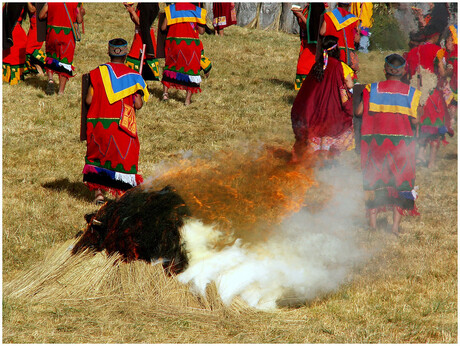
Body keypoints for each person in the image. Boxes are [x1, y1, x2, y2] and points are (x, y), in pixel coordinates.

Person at [356, 54, 421, 235]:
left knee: (375, 181)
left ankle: (373, 225)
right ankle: (394, 227)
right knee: (400, 184)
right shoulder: (411, 93)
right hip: (402, 147)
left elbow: (359, 111)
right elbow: (415, 122)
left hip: (377, 144)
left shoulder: (373, 89)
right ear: (403, 71)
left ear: (385, 70)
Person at [82, 38, 149, 205]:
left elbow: (89, 100)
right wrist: (136, 93)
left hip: (99, 125)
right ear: (126, 55)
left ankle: (99, 194)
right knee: (122, 161)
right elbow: (138, 105)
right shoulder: (134, 76)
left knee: (97, 158)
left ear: (109, 54)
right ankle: (120, 196)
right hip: (122, 127)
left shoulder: (98, 73)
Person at [290, 35, 354, 164]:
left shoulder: (317, 66)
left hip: (314, 113)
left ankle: (312, 163)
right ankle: (328, 162)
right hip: (332, 113)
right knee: (350, 124)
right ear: (336, 50)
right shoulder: (339, 66)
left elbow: (308, 90)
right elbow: (349, 85)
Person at [405, 27, 454, 169]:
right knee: (434, 130)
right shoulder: (438, 51)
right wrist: (449, 69)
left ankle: (419, 156)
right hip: (432, 95)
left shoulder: (412, 52)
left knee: (420, 127)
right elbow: (442, 72)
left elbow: (408, 75)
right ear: (436, 35)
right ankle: (431, 162)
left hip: (415, 94)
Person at [160, 2, 208, 105]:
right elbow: (201, 31)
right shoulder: (197, 10)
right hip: (191, 46)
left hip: (174, 44)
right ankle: (187, 100)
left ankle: (165, 94)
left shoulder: (171, 9)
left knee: (169, 67)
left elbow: (163, 28)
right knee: (191, 70)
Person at [39, 2, 85, 95]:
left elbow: (41, 15)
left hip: (52, 33)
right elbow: (79, 20)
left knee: (51, 57)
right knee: (65, 62)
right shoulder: (76, 3)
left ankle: (51, 80)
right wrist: (82, 13)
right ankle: (60, 92)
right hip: (67, 36)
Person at [291, 3, 326, 90]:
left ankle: (307, 87)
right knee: (302, 64)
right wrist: (298, 16)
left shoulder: (317, 7)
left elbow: (314, 27)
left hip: (312, 45)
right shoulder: (308, 7)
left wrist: (301, 16)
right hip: (306, 41)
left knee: (304, 66)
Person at [124, 2, 161, 81]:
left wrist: (132, 11)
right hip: (140, 36)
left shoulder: (146, 4)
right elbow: (137, 20)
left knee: (139, 60)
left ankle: (141, 84)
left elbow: (142, 23)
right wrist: (131, 10)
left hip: (143, 38)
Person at [319, 2, 360, 72]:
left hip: (332, 50)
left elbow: (322, 32)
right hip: (347, 53)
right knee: (346, 74)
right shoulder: (353, 19)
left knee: (331, 72)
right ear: (350, 4)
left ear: (337, 3)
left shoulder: (330, 16)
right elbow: (356, 39)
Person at [2, 3, 27, 85]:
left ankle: (7, 76)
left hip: (10, 31)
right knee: (13, 55)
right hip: (15, 30)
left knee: (11, 55)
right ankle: (14, 78)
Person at [25, 3, 46, 75]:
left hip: (37, 26)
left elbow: (32, 9)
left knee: (28, 50)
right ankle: (40, 70)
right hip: (34, 25)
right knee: (31, 50)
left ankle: (50, 64)